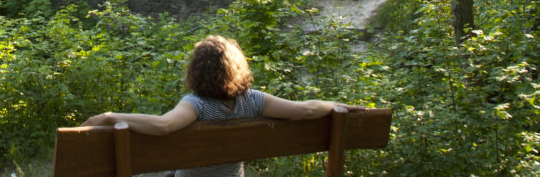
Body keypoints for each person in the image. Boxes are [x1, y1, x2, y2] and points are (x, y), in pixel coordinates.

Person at [81, 35, 363, 177]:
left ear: (196, 71)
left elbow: (164, 125)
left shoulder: (196, 105)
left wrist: (108, 116)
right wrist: (336, 106)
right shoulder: (253, 101)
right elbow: (305, 110)